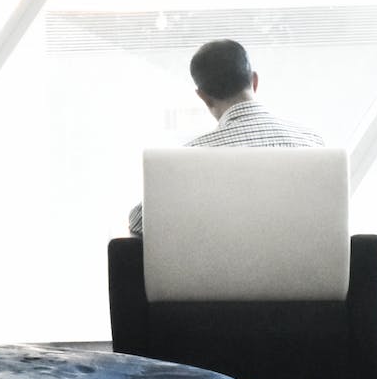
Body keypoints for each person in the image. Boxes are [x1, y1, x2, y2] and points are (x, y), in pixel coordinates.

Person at [127, 38, 322, 235]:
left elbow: (138, 222)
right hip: (304, 266)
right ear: (254, 81)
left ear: (203, 97)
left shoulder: (188, 160)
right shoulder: (312, 143)